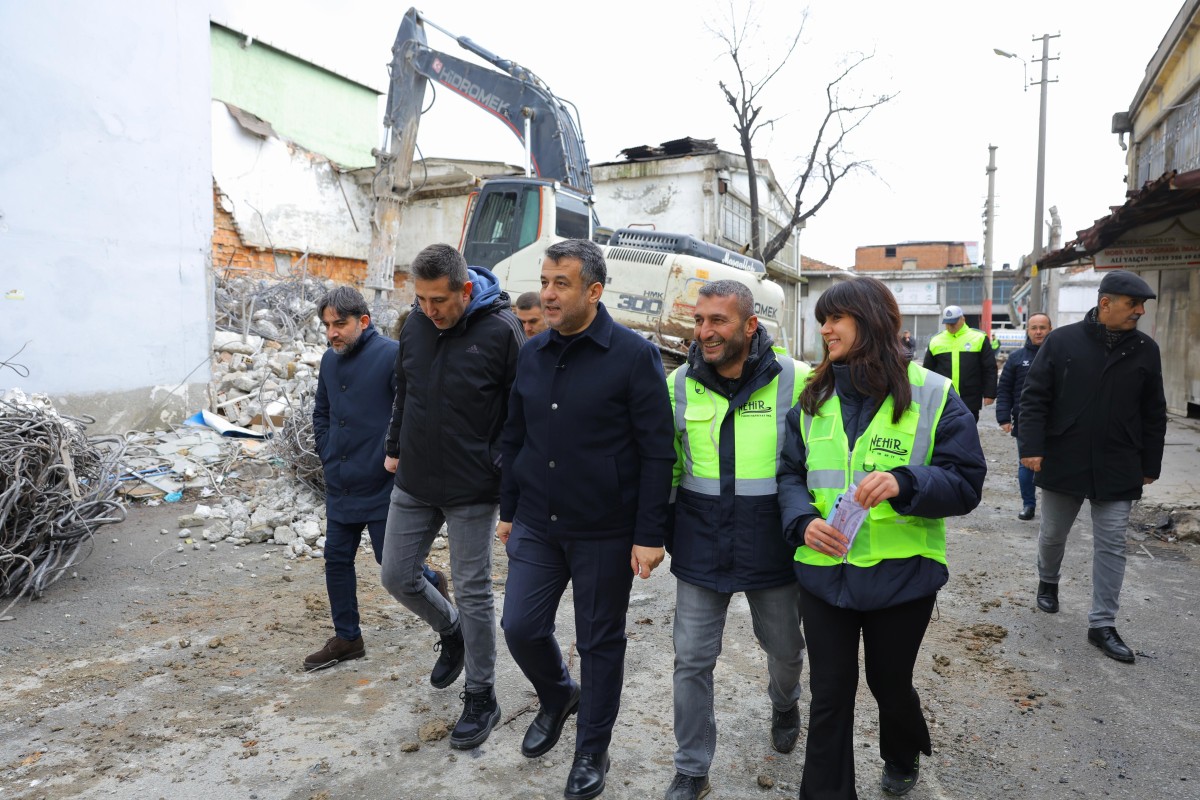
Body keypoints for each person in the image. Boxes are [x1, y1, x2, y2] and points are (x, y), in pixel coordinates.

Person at [778, 277, 986, 798]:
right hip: (824, 574)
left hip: (903, 576)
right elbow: (789, 475)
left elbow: (966, 482)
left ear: (870, 321)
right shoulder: (813, 397)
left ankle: (902, 750)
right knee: (830, 693)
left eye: (836, 318)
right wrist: (802, 522)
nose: (825, 329)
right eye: (823, 320)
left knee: (889, 684)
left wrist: (905, 482)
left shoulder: (933, 394)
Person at [497, 238, 675, 800]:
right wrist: (508, 509)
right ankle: (558, 693)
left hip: (605, 528)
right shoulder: (532, 352)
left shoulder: (633, 356)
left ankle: (591, 749)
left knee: (599, 643)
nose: (548, 294)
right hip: (536, 520)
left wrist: (649, 534)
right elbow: (515, 435)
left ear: (594, 291)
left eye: (561, 284)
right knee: (520, 626)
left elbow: (658, 451)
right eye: (544, 282)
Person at [663, 280, 809, 800]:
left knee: (785, 649)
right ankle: (692, 768)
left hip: (773, 544)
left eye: (718, 321)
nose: (704, 331)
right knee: (691, 659)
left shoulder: (798, 379)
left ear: (749, 325)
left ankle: (785, 703)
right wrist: (656, 531)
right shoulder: (679, 383)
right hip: (701, 544)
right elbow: (668, 465)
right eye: (699, 320)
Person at [379, 244, 524, 750]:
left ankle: (482, 695)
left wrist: (499, 467)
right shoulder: (415, 326)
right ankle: (451, 628)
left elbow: (519, 411)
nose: (429, 310)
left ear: (464, 290)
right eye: (420, 299)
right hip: (416, 479)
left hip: (472, 486)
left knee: (474, 587)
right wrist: (394, 447)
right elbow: (404, 390)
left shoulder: (502, 330)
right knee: (396, 575)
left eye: (438, 300)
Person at [1018, 270, 1167, 664]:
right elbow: (1034, 396)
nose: (1139, 311)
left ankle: (1102, 624)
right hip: (1064, 456)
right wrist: (1031, 446)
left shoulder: (1145, 350)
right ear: (1105, 303)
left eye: (1142, 305)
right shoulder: (1062, 341)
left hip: (1119, 461)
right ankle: (1048, 581)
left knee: (1112, 543)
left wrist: (1150, 462)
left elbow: (1154, 412)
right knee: (1053, 533)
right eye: (1133, 304)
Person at [305, 286, 449, 672]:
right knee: (336, 559)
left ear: (364, 321)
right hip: (341, 480)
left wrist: (395, 457)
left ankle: (433, 583)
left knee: (392, 562)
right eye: (327, 326)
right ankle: (348, 638)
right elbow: (321, 412)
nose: (332, 333)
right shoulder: (329, 360)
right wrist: (327, 450)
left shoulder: (391, 355)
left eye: (340, 324)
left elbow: (412, 412)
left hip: (385, 483)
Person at [995, 313, 1052, 521]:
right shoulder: (1017, 358)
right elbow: (1005, 389)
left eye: (1042, 328)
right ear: (1028, 331)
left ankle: (1052, 510)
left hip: (1055, 422)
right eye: (1034, 328)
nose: (1038, 332)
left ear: (1050, 330)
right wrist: (1003, 417)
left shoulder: (1061, 356)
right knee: (1026, 465)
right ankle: (1028, 504)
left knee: (1053, 466)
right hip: (1025, 422)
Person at [922, 305, 996, 421]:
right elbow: (927, 371)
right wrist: (926, 394)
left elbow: (989, 368)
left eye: (954, 322)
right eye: (948, 323)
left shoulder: (979, 338)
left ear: (963, 319)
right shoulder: (936, 340)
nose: (951, 326)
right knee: (944, 428)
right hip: (944, 397)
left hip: (970, 397)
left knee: (968, 427)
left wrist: (990, 394)